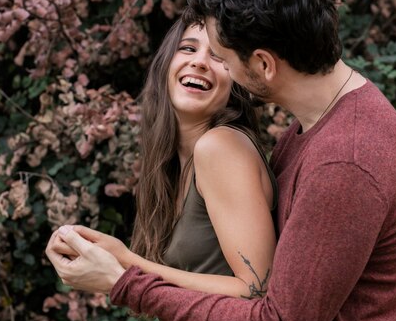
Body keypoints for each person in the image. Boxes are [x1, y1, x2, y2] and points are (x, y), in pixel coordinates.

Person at [46, 0, 396, 321]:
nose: (211, 63)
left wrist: (124, 281)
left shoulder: (346, 161)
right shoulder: (316, 126)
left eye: (223, 56)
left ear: (263, 64)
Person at [51, 18, 277, 299]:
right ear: (165, 64)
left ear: (238, 81)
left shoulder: (221, 146)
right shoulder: (173, 163)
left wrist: (123, 267)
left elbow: (257, 291)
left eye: (219, 54)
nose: (200, 62)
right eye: (187, 48)